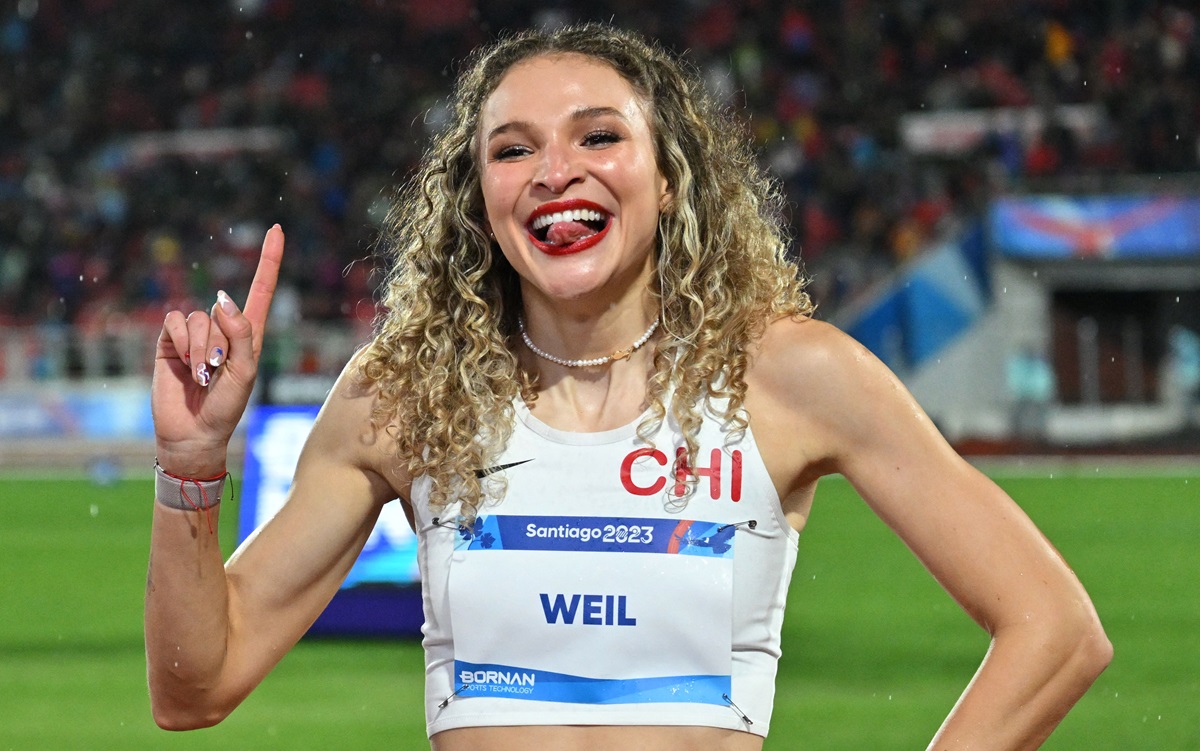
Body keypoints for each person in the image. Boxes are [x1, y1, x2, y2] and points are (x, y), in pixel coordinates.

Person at [145, 23, 1111, 750]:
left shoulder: (790, 375)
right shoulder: (403, 392)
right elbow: (196, 685)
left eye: (598, 136)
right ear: (478, 200)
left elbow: (1056, 630)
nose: (554, 173)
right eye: (513, 149)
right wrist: (192, 465)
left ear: (671, 175)